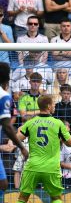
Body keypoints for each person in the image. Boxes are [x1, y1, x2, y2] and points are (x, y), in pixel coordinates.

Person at [11, 95, 71, 203]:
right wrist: (65, 137)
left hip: (32, 166)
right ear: (48, 106)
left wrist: (23, 145)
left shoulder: (31, 122)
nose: (54, 106)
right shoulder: (58, 123)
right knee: (57, 198)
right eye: (53, 104)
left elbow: (17, 138)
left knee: (23, 198)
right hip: (51, 168)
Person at [0, 62, 28, 191]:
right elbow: (6, 125)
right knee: (3, 184)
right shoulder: (3, 96)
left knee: (3, 183)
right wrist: (21, 147)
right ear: (7, 78)